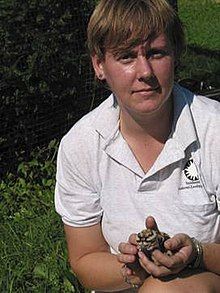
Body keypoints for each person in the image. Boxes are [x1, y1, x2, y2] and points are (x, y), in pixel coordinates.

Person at [55, 0, 220, 291]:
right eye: (126, 57)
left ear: (175, 55)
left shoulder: (214, 130)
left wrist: (196, 252)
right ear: (99, 65)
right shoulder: (80, 145)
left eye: (156, 53)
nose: (145, 71)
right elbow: (85, 258)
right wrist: (132, 268)